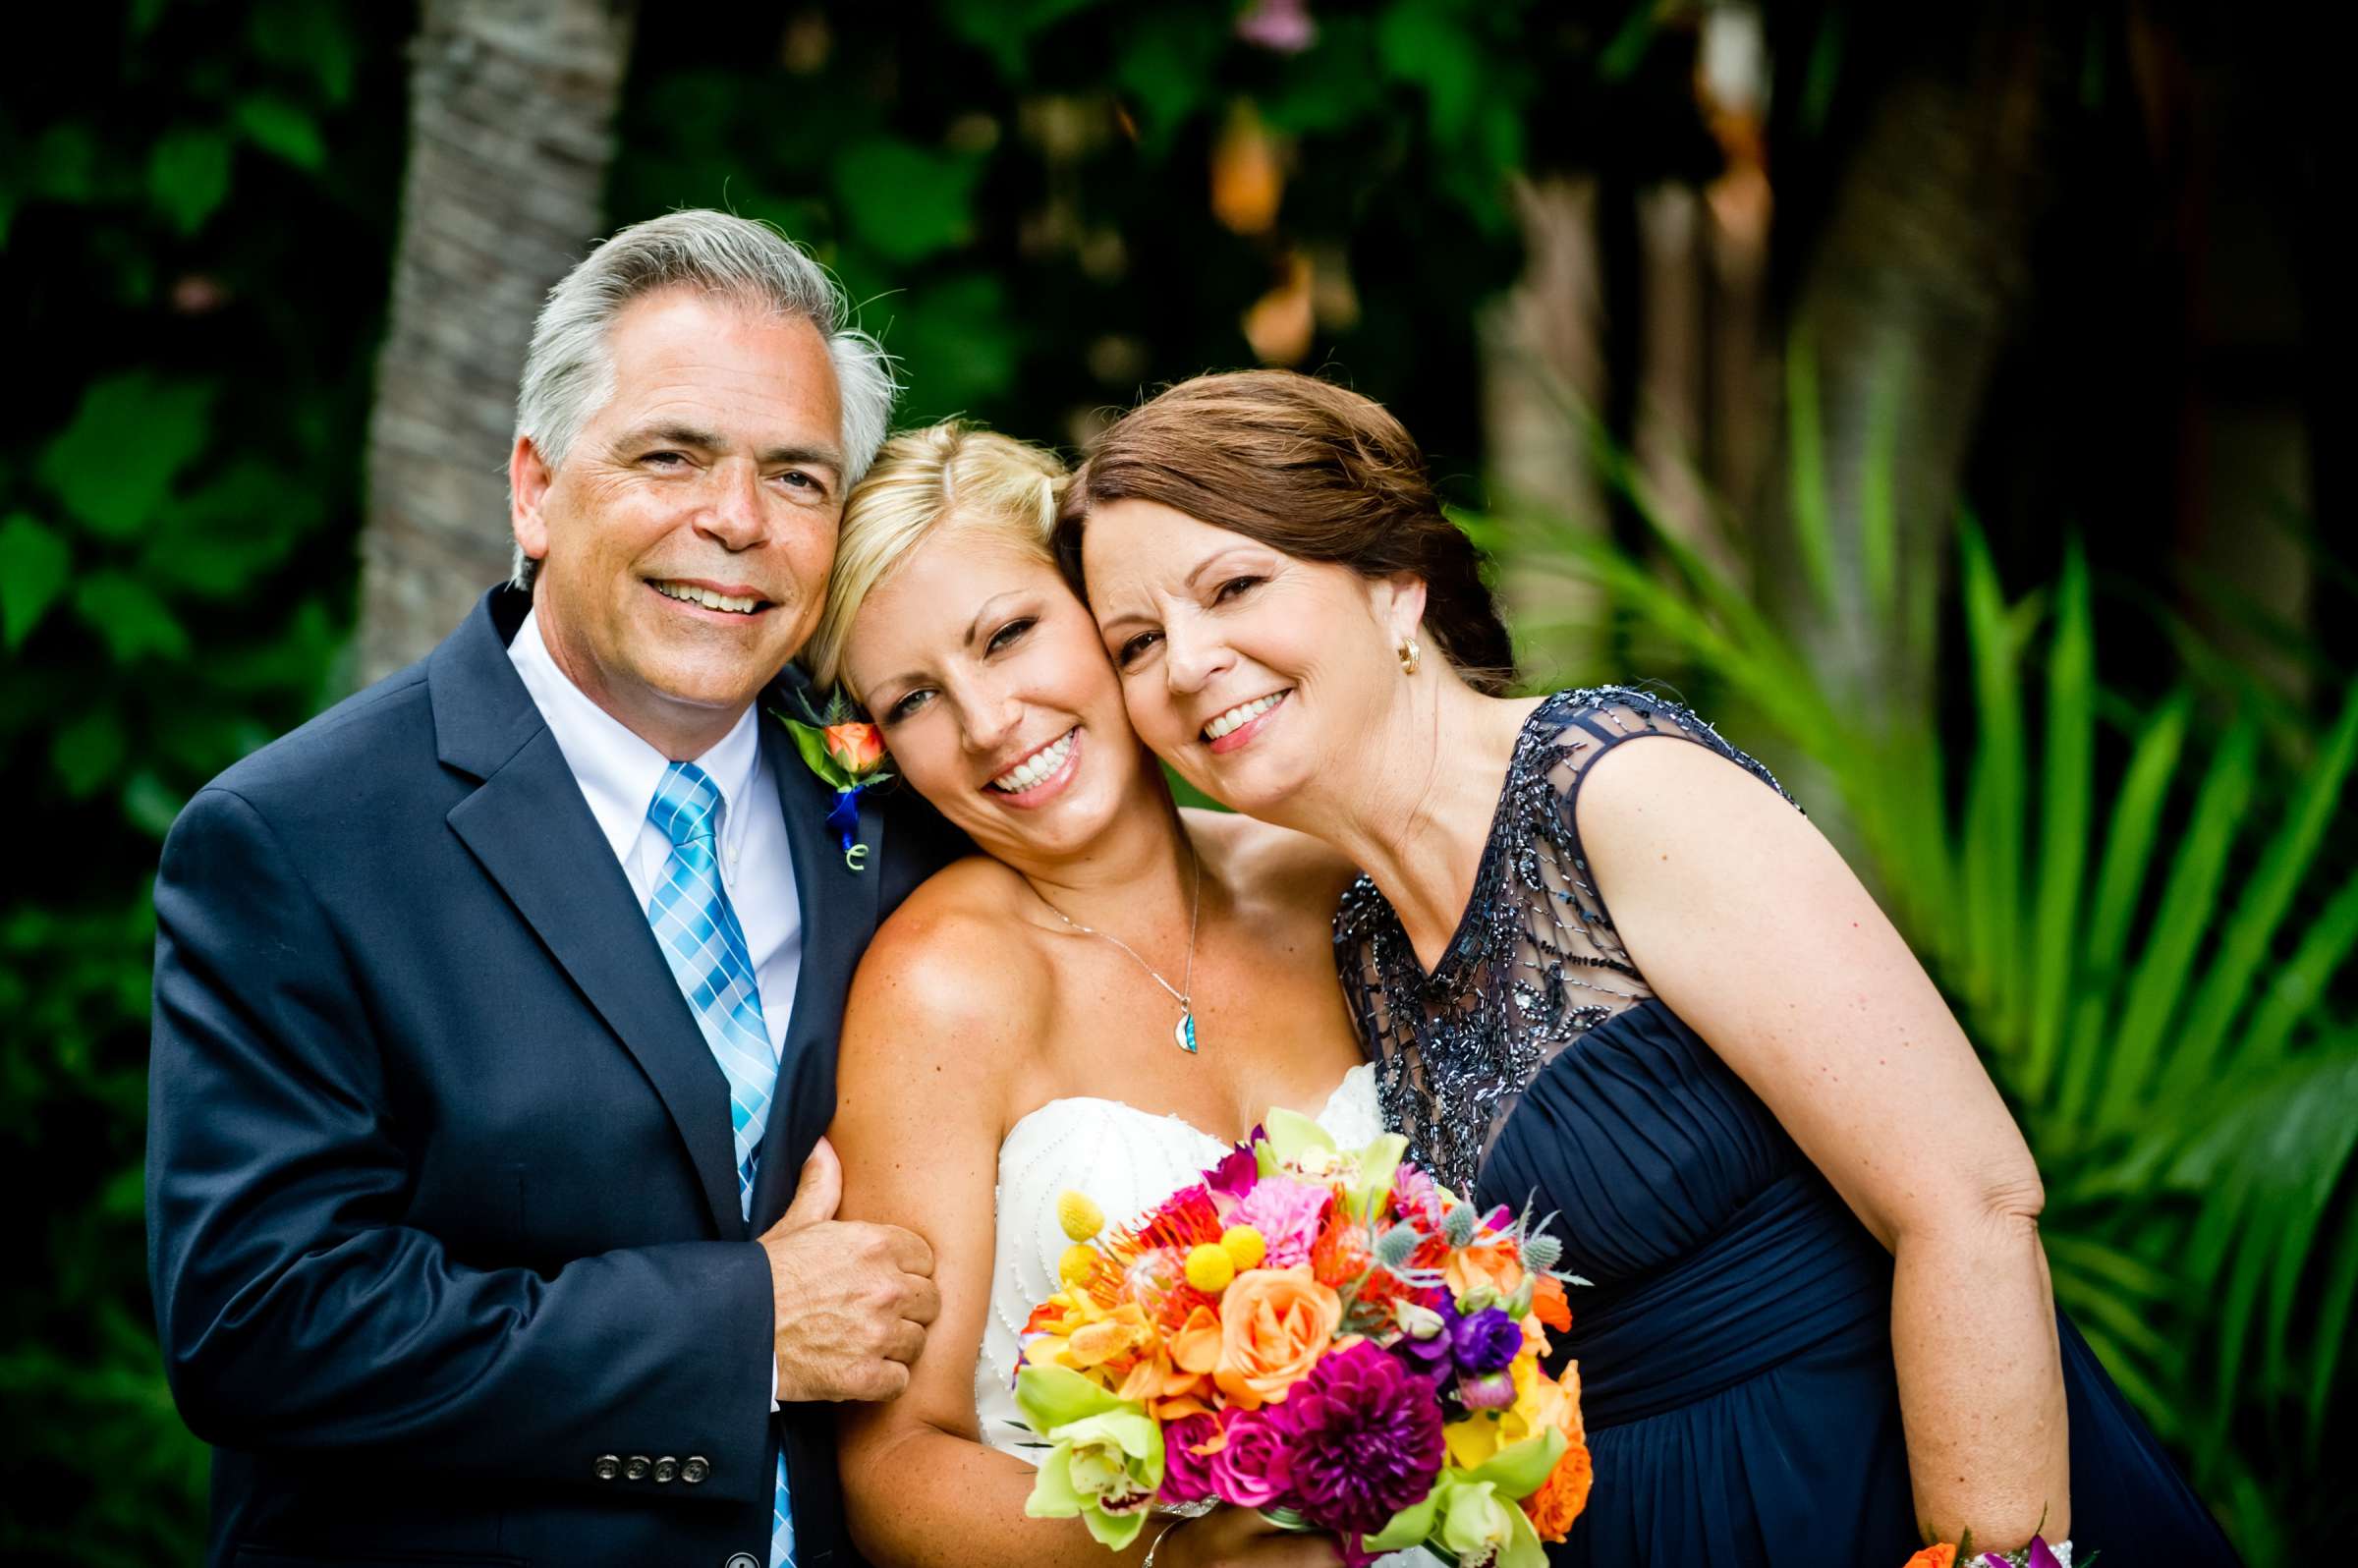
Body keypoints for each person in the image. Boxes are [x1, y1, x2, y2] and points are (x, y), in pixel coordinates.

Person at [1052, 369, 2243, 1567]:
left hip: (1880, 1479)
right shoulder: (1356, 937)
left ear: (1395, 586)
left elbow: (1971, 1205)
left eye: (1236, 587)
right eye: (1138, 643)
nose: (1192, 662)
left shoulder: (1614, 792)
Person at [146, 211, 961, 1568]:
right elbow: (261, 1324)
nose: (738, 522)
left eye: (799, 477)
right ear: (534, 486)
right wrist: (742, 1331)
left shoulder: (896, 815)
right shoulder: (298, 840)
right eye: (672, 455)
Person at [805, 421, 1421, 1568]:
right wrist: (1171, 1556)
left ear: (1102, 610)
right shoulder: (942, 988)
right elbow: (896, 1469)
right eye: (916, 700)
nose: (990, 724)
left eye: (1010, 635)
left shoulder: (1330, 885)